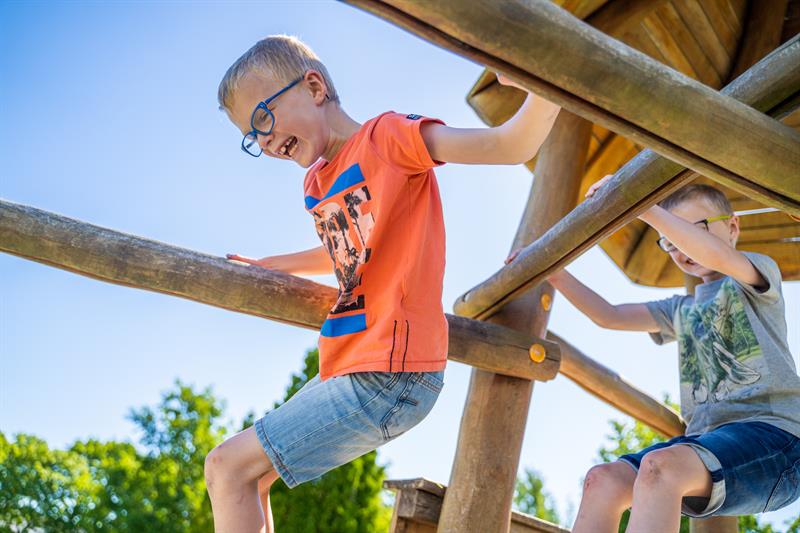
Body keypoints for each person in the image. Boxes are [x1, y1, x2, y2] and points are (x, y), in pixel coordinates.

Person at [206, 34, 562, 532]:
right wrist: (272, 265)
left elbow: (509, 144)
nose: (264, 142)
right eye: (252, 137)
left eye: (262, 119)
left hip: (389, 372)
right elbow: (346, 250)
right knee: (252, 477)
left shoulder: (388, 139)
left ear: (313, 86)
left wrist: (546, 79)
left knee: (225, 467)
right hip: (351, 365)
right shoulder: (316, 183)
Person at [509, 178, 800, 532]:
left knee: (661, 467)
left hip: (776, 440)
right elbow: (608, 315)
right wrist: (552, 272)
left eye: (693, 231)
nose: (680, 246)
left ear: (733, 226)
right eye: (670, 242)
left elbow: (716, 255)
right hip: (705, 444)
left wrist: (643, 206)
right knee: (602, 480)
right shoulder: (680, 309)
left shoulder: (755, 277)